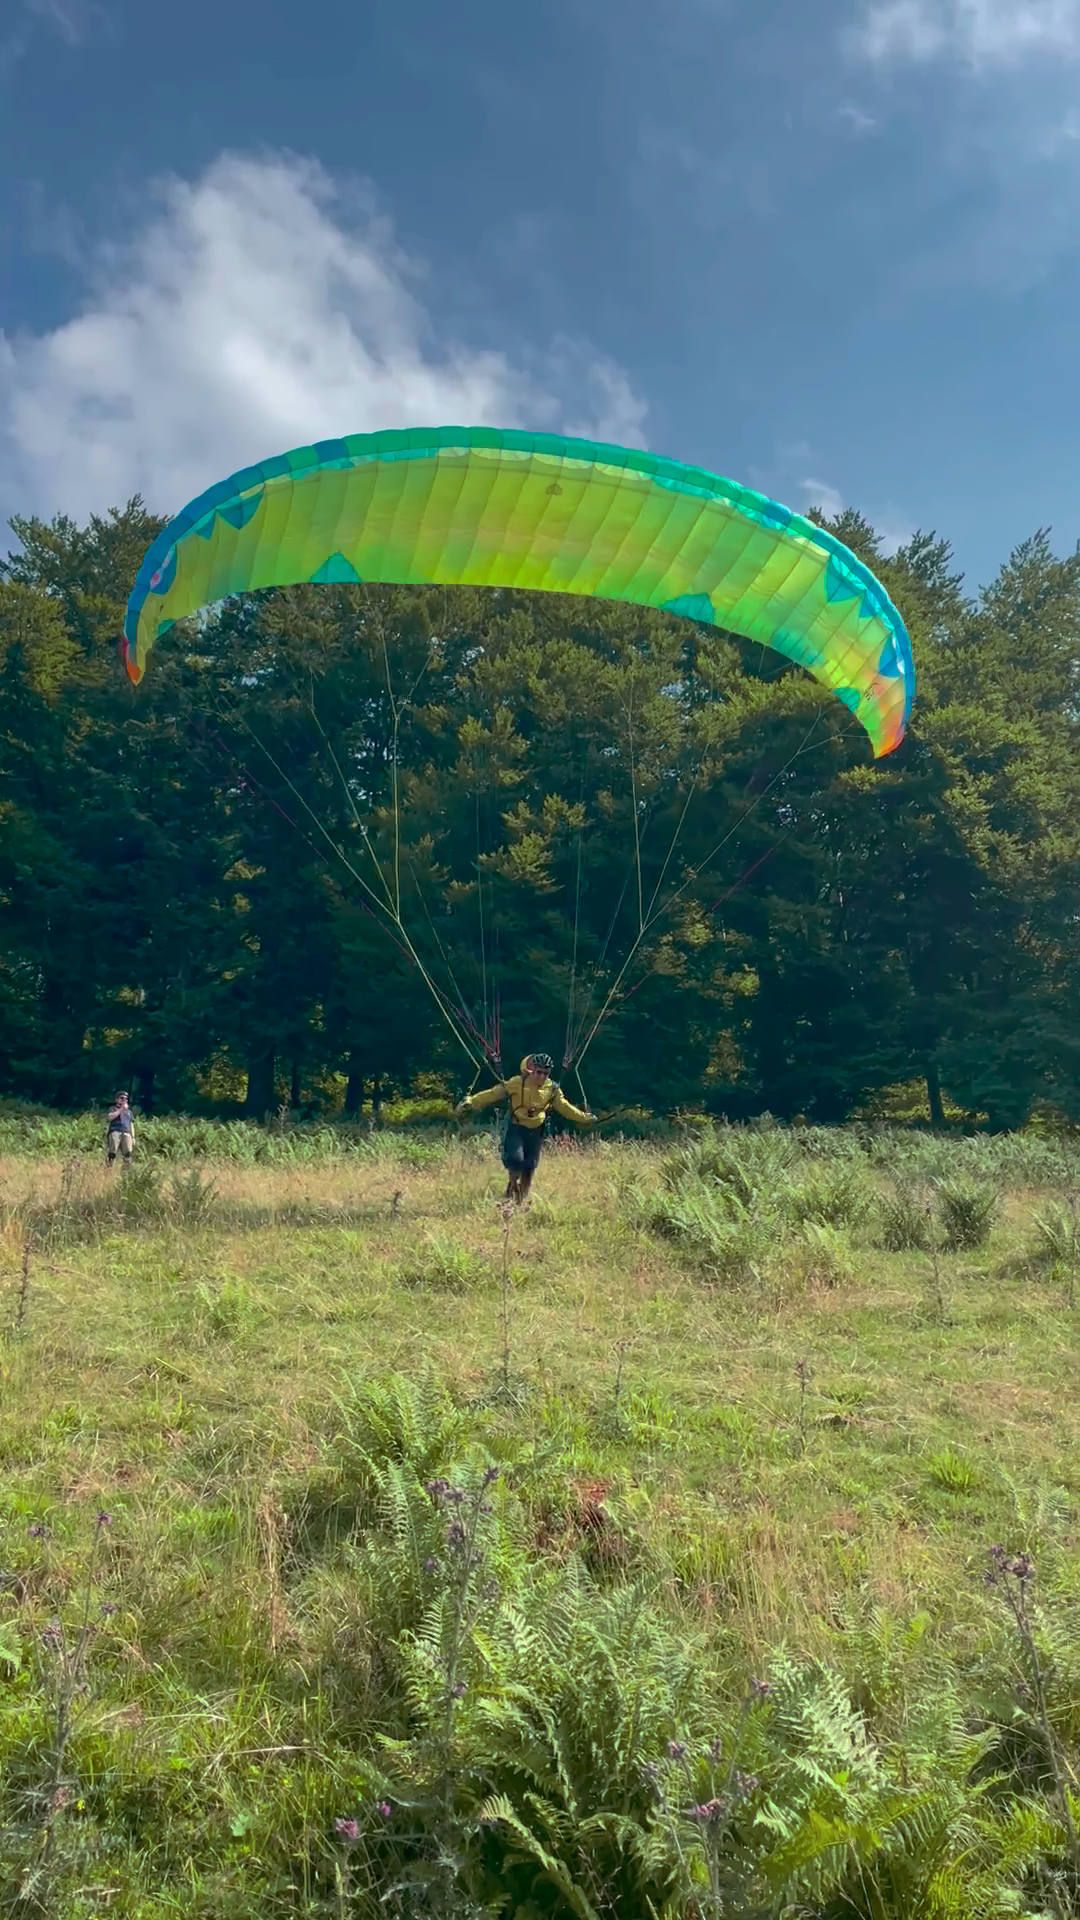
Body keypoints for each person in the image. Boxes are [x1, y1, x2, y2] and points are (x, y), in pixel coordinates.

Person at [456, 1053, 593, 1205]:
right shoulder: (517, 1082)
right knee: (516, 1160)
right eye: (538, 1072)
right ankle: (511, 1190)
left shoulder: (552, 1089)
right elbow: (494, 1093)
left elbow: (565, 1107)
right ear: (531, 1070)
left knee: (529, 1166)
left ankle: (521, 1200)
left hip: (536, 1130)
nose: (541, 1077)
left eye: (545, 1074)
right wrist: (472, 1101)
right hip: (516, 1127)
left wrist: (584, 1117)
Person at [105, 1090, 136, 1166]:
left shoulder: (129, 1112)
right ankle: (109, 1168)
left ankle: (126, 1171)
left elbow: (131, 1124)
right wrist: (121, 1109)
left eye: (126, 1099)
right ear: (117, 1099)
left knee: (128, 1152)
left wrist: (133, 1137)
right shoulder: (113, 1108)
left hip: (126, 1132)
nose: (124, 1100)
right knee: (113, 1151)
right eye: (122, 1098)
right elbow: (109, 1117)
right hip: (115, 1131)